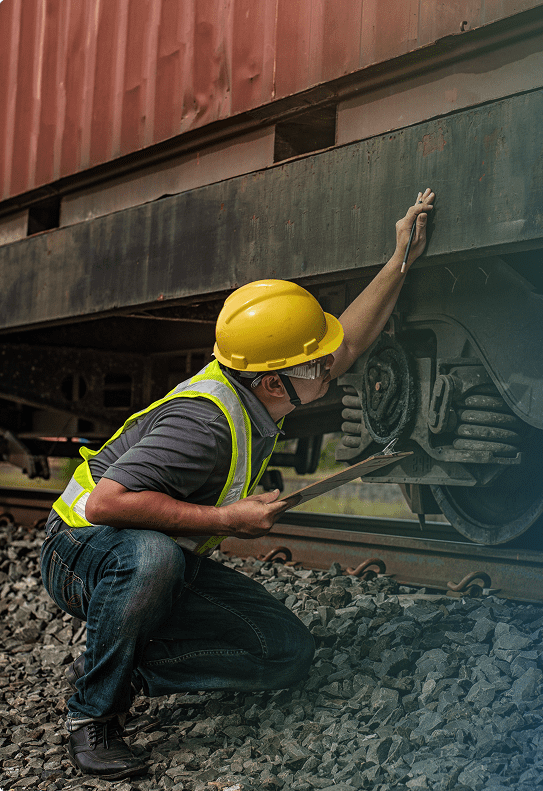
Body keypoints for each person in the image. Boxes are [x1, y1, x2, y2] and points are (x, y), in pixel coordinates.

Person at [39, 190, 435, 779]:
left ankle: (119, 664)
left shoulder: (261, 384)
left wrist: (400, 259)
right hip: (79, 552)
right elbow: (105, 503)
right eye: (317, 365)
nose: (331, 367)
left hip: (146, 554)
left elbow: (348, 342)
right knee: (151, 559)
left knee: (286, 652)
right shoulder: (203, 425)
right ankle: (93, 714)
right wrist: (228, 520)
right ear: (275, 383)